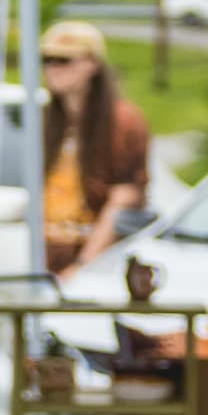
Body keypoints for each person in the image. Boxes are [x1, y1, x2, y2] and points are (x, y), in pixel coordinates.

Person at [39, 18, 151, 273]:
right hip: (48, 253)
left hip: (98, 260)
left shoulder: (123, 121)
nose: (53, 68)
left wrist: (83, 264)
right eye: (47, 59)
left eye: (64, 60)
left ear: (92, 64)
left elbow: (125, 197)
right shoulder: (44, 120)